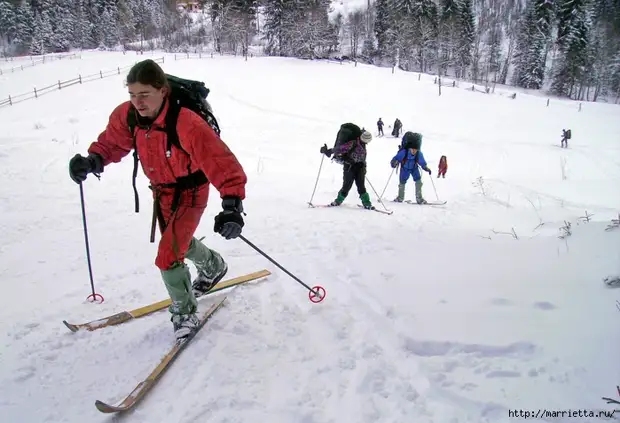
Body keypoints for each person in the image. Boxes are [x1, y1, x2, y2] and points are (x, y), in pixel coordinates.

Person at [68, 59, 247, 340]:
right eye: (132, 94)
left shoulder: (186, 122)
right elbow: (113, 143)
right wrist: (93, 161)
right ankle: (214, 265)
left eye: (144, 94)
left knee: (167, 256)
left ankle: (185, 313)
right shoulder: (128, 116)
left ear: (163, 91)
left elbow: (220, 162)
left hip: (190, 191)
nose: (137, 102)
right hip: (161, 191)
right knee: (178, 244)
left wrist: (232, 205)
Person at [319, 123, 374, 209]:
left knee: (361, 187)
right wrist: (328, 151)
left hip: (360, 168)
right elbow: (340, 148)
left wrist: (364, 169)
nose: (367, 142)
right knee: (346, 186)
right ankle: (338, 201)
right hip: (349, 167)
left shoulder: (363, 145)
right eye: (367, 140)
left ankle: (367, 203)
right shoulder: (353, 143)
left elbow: (363, 158)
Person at [390, 132, 431, 203]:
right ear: (409, 148)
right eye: (413, 149)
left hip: (414, 168)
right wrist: (394, 162)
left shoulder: (419, 153)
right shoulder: (404, 152)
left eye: (416, 150)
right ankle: (400, 197)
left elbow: (422, 162)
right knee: (402, 183)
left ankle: (419, 198)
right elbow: (396, 158)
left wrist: (426, 168)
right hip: (405, 169)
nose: (414, 151)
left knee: (418, 181)